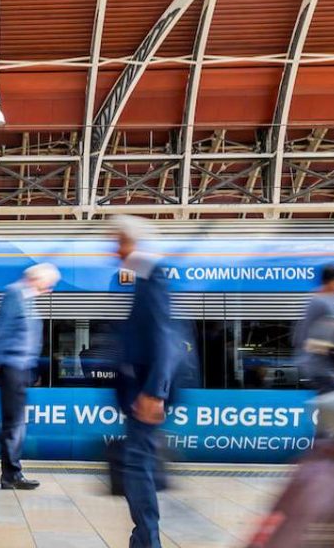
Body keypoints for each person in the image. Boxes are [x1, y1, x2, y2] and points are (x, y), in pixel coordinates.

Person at [115, 215, 180, 548]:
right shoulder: (143, 276)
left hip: (146, 391)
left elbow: (162, 336)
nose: (115, 250)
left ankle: (146, 541)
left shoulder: (153, 274)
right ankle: (144, 538)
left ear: (133, 242)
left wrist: (155, 392)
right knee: (137, 463)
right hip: (141, 389)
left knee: (137, 465)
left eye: (119, 241)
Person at [0, 262, 60, 491]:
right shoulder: (15, 293)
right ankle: (11, 474)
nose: (50, 288)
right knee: (14, 422)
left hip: (21, 368)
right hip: (11, 366)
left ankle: (11, 470)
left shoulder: (28, 297)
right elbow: (0, 329)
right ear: (37, 278)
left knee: (15, 422)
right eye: (49, 283)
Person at [292, 264, 334, 393]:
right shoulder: (317, 302)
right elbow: (303, 336)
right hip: (320, 367)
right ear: (331, 282)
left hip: (333, 366)